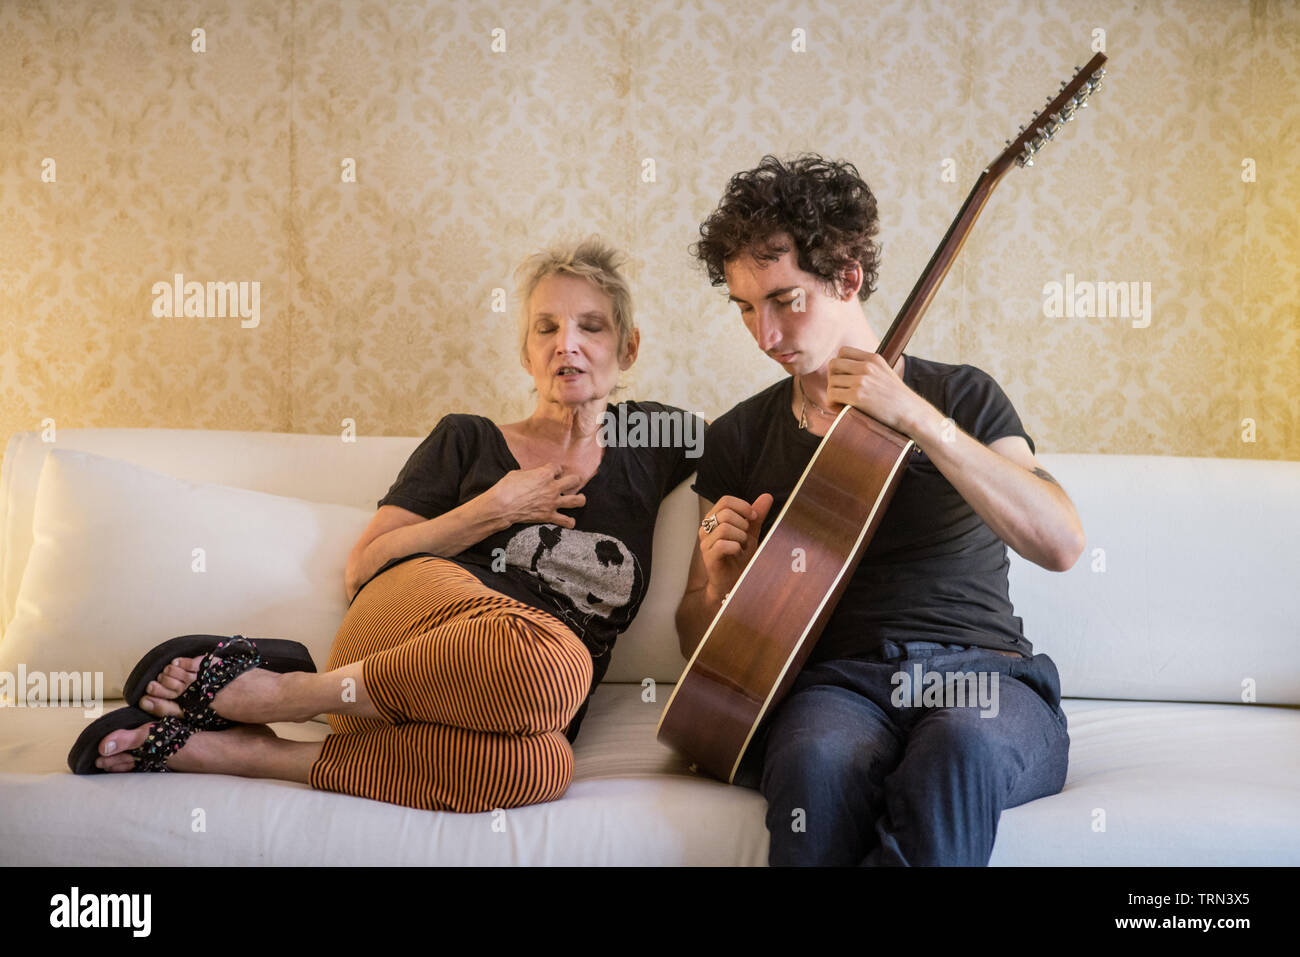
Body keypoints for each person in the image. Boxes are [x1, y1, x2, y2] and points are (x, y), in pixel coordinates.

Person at [82, 236, 706, 813]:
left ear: (628, 348)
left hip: (512, 703)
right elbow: (365, 565)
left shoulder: (649, 439)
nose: (566, 343)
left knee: (540, 767)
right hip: (402, 635)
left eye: (590, 326)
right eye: (547, 327)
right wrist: (493, 509)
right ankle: (286, 695)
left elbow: (765, 438)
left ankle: (247, 752)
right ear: (526, 351)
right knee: (557, 662)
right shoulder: (467, 438)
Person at [675, 154, 1085, 865]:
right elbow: (693, 636)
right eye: (744, 307)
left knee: (958, 746)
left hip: (982, 679)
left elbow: (1060, 542)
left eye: (783, 299)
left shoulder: (962, 396)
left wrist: (918, 419)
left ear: (847, 277)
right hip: (838, 689)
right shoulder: (739, 435)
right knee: (816, 765)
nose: (764, 335)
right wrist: (720, 585)